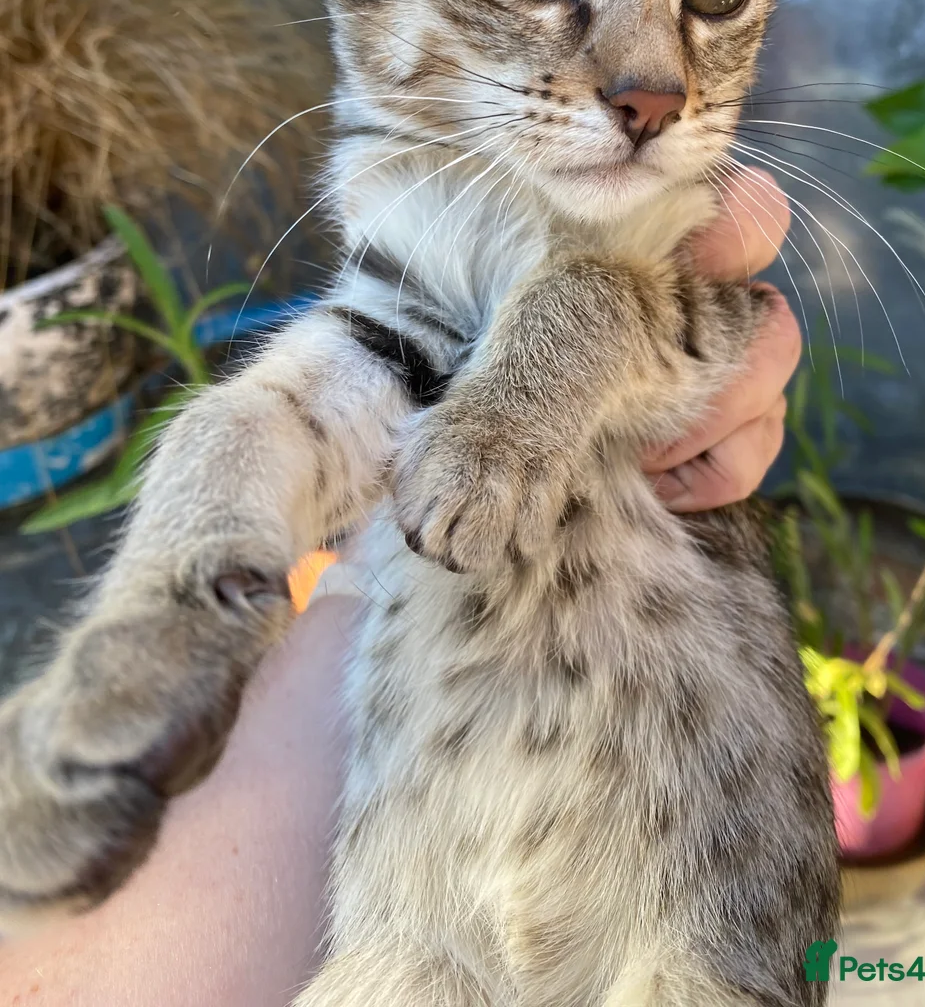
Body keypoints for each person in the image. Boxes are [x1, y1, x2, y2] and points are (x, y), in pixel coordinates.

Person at [0, 167, 799, 1007]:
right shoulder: (414, 166)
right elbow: (341, 387)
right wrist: (182, 576)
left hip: (681, 898)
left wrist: (588, 322)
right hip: (414, 931)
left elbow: (708, 320)